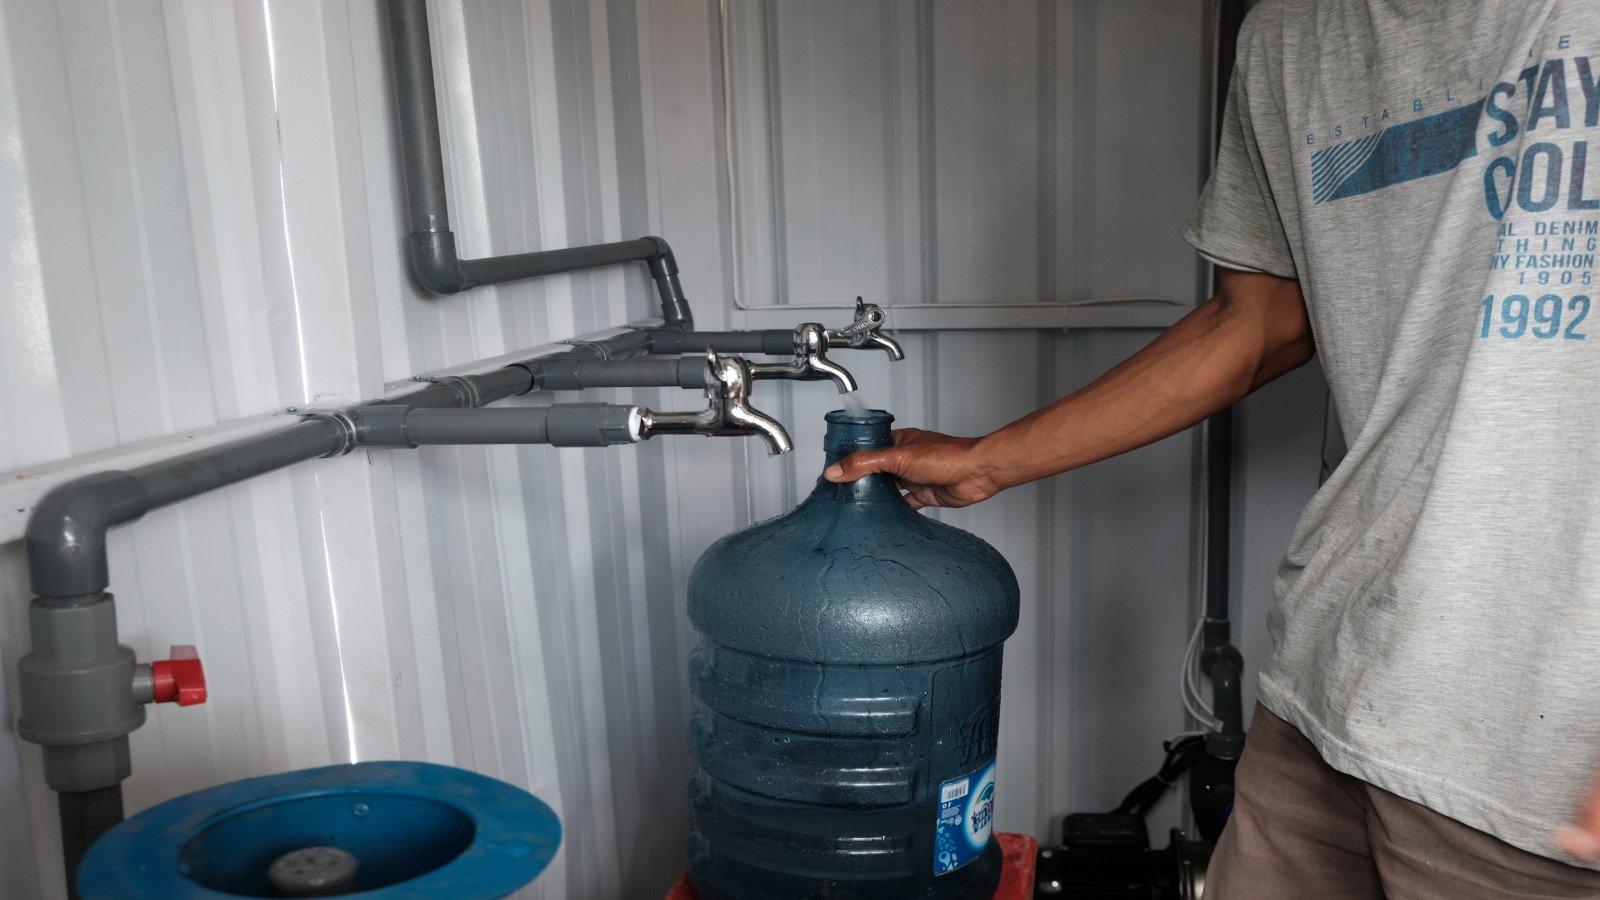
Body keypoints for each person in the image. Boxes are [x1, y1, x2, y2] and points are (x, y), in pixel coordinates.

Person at [824, 2, 1600, 897]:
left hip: (1542, 755)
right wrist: (989, 459)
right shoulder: (1291, 34)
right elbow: (1259, 321)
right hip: (1338, 683)